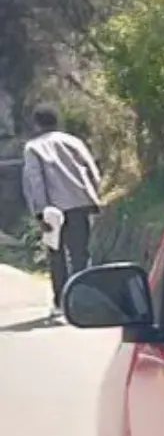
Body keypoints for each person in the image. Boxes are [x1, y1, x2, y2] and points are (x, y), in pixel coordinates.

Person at [21, 106, 102, 314]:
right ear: (57, 121)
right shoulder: (73, 141)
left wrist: (40, 211)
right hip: (80, 203)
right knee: (80, 255)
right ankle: (82, 301)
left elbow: (35, 180)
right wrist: (93, 195)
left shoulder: (33, 147)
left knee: (56, 255)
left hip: (52, 210)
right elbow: (92, 170)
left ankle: (60, 303)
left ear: (36, 124)